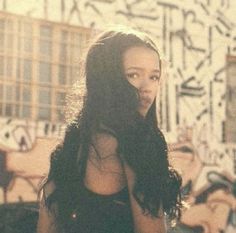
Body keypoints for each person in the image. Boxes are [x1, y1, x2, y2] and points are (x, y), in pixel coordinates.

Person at [37, 26, 182, 233]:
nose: (147, 87)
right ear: (107, 78)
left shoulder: (70, 147)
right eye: (133, 75)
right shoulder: (137, 142)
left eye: (154, 77)